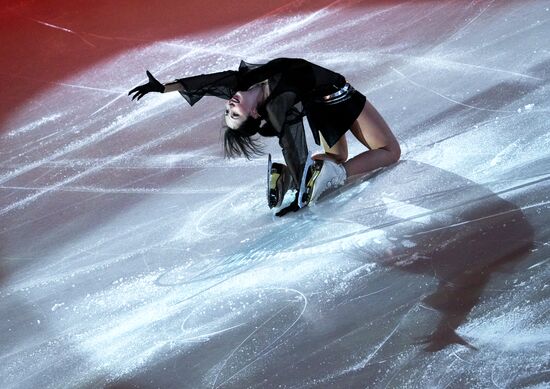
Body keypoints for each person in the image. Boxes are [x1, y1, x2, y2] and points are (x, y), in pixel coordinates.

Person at [128, 58, 400, 216]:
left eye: (227, 109)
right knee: (390, 151)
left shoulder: (239, 84)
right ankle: (331, 175)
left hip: (319, 107)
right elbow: (292, 144)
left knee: (335, 155)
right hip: (338, 96)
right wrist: (300, 200)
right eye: (234, 114)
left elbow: (204, 84)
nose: (229, 106)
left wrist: (162, 88)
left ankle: (289, 178)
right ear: (255, 115)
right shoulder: (276, 104)